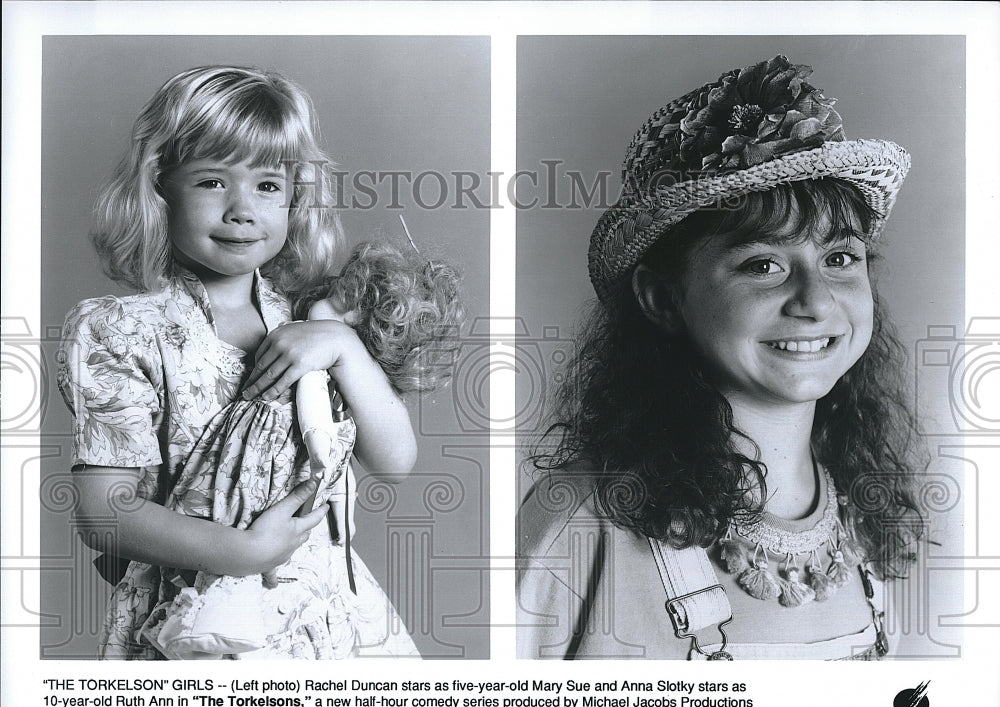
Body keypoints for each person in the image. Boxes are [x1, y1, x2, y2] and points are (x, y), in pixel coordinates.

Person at [517, 55, 926, 660]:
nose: (815, 302)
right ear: (661, 298)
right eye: (763, 265)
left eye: (841, 258)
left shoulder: (862, 514)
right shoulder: (579, 522)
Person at [58, 65, 461, 660]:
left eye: (268, 185)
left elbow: (396, 462)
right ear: (159, 187)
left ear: (297, 197)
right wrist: (244, 552)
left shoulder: (311, 317)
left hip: (325, 617)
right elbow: (104, 515)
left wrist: (343, 347)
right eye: (213, 182)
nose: (242, 209)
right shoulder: (122, 331)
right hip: (199, 623)